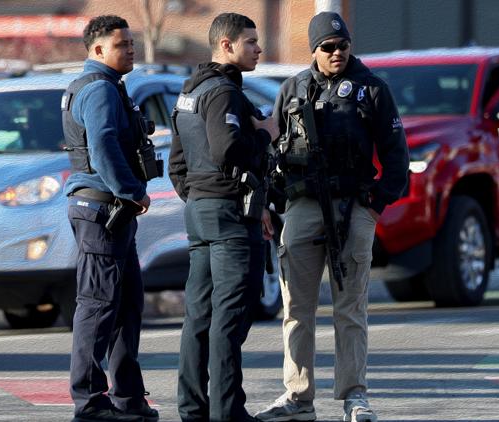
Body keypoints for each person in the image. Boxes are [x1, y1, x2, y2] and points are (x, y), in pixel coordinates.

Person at [255, 12, 409, 422]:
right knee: (295, 308)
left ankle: (354, 396)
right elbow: (274, 154)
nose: (337, 52)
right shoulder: (291, 89)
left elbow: (397, 156)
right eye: (328, 47)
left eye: (343, 45)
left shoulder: (372, 89)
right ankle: (297, 396)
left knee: (350, 308)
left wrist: (375, 204)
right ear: (314, 50)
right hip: (303, 206)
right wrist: (269, 206)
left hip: (353, 204)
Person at [168, 12, 279, 422]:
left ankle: (192, 408)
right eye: (250, 41)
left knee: (199, 315)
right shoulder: (224, 93)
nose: (258, 48)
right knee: (230, 317)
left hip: (201, 213)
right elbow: (229, 150)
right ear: (226, 45)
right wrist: (266, 132)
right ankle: (227, 411)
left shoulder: (189, 92)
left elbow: (176, 165)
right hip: (229, 216)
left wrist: (198, 199)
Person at [62, 15, 158, 422]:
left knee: (125, 305)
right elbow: (101, 144)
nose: (131, 49)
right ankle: (89, 401)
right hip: (102, 209)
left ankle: (127, 397)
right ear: (98, 50)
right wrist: (132, 191)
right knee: (100, 305)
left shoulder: (102, 86)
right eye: (122, 45)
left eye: (131, 43)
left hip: (107, 210)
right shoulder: (99, 89)